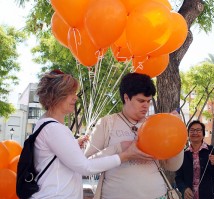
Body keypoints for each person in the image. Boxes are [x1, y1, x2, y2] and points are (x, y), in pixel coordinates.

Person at [32, 70, 152, 198]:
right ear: (56, 96)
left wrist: (73, 144)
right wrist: (124, 155)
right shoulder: (54, 129)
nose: (75, 98)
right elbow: (86, 167)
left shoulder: (45, 125)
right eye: (70, 93)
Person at [84, 72, 184, 199]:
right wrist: (120, 149)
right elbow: (86, 165)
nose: (146, 106)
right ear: (126, 97)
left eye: (148, 101)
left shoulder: (154, 123)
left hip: (157, 194)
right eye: (140, 100)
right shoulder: (107, 123)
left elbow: (172, 166)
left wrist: (178, 134)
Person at [175, 120, 214, 199]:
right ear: (188, 134)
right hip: (189, 196)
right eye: (192, 130)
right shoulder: (183, 154)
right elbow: (178, 177)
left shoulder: (212, 150)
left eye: (198, 130)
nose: (195, 133)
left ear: (203, 134)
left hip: (208, 195)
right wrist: (183, 189)